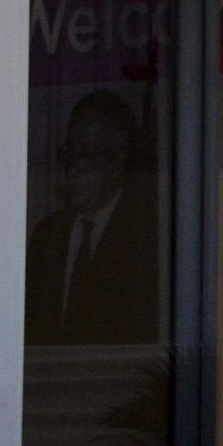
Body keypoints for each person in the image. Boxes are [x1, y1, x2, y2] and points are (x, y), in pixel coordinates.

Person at [24, 89, 162, 346]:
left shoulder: (148, 235)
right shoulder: (47, 237)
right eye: (69, 155)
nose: (74, 169)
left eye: (86, 155)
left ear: (118, 157)